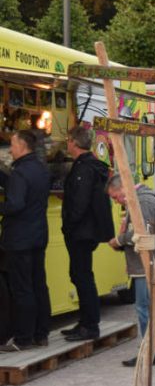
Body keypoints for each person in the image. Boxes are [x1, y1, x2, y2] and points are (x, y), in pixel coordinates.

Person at [106, 175, 155, 366]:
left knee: (146, 309)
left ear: (122, 188)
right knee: (152, 308)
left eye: (115, 197)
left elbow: (142, 233)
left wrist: (119, 240)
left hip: (150, 264)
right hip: (151, 262)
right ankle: (154, 349)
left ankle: (150, 351)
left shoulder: (142, 201)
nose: (116, 201)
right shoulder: (140, 199)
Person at [60, 126, 115, 341]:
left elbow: (80, 203)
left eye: (68, 140)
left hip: (81, 232)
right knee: (81, 274)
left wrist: (69, 224)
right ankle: (86, 321)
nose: (67, 144)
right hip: (88, 231)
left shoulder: (84, 168)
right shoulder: (92, 165)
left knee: (82, 276)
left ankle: (90, 325)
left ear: (73, 142)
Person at [0, 130, 51, 351]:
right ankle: (41, 333)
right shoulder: (40, 168)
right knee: (38, 284)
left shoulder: (20, 172)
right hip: (38, 236)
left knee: (22, 288)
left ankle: (23, 338)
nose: (10, 149)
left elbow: (16, 203)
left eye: (12, 144)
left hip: (19, 238)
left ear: (22, 146)